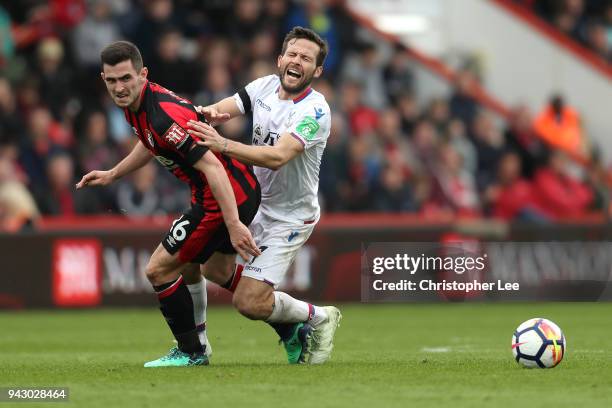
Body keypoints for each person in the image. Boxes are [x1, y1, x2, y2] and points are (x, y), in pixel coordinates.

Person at [76, 41, 261, 367]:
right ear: (103, 79)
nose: (119, 88)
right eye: (111, 80)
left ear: (143, 74)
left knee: (158, 269)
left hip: (223, 195)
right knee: (209, 269)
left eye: (125, 79)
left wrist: (233, 225)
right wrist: (114, 173)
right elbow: (150, 143)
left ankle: (192, 352)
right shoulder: (137, 104)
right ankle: (296, 320)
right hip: (228, 190)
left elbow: (213, 167)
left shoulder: (162, 115)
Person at [187, 26, 341, 365]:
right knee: (212, 267)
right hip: (255, 204)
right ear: (280, 58)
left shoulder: (316, 111)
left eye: (306, 58)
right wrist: (192, 114)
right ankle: (290, 329)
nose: (297, 61)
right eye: (292, 54)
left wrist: (222, 144)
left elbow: (278, 156)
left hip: (290, 216)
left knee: (249, 303)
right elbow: (218, 111)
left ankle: (318, 315)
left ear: (316, 71)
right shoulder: (263, 87)